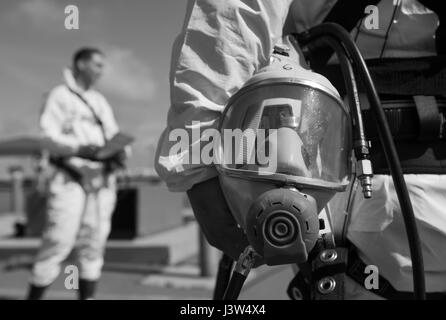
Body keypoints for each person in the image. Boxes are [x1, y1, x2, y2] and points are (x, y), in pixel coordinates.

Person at [155, 0, 446, 299]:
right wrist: (199, 165)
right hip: (340, 180)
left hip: (342, 186)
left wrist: (198, 165)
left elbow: (235, 13)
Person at [26, 47, 126, 300]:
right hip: (70, 178)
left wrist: (121, 152)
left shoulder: (100, 102)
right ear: (81, 64)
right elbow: (46, 136)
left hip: (101, 180)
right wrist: (79, 148)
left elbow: (114, 134)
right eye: (97, 65)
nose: (102, 71)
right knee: (58, 241)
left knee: (94, 244)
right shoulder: (60, 96)